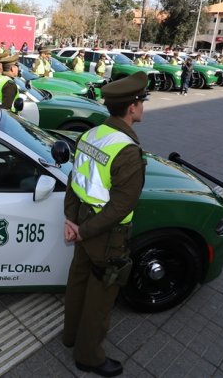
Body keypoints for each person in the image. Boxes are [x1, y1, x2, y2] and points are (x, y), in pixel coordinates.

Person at [62, 72, 148, 377]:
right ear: (132, 107)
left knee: (78, 283)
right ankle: (89, 356)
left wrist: (72, 220)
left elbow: (75, 180)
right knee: (100, 296)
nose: (142, 107)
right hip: (106, 234)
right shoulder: (126, 149)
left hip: (84, 221)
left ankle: (70, 337)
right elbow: (122, 205)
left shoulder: (92, 134)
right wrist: (84, 230)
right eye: (141, 102)